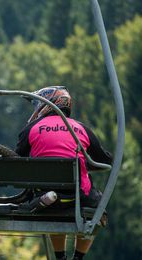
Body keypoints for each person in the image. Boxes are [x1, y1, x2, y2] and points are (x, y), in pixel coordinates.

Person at [15, 86, 112, 260]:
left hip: (44, 198)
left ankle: (59, 257)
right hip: (78, 197)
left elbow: (18, 158)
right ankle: (78, 257)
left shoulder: (32, 128)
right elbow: (105, 160)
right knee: (97, 210)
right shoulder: (81, 128)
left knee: (54, 208)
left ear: (48, 104)